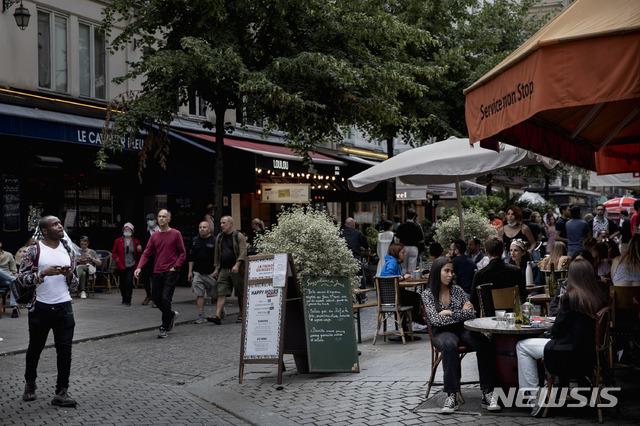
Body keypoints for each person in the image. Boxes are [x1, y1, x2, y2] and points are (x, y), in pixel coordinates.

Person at [516, 259, 608, 416]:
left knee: (522, 346)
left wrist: (560, 306)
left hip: (566, 354)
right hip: (589, 355)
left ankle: (532, 398)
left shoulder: (570, 298)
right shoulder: (599, 297)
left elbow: (557, 330)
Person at [421, 257, 500, 414]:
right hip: (442, 333)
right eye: (447, 271)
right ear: (437, 272)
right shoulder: (428, 294)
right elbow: (436, 319)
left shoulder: (457, 290)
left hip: (463, 329)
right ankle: (451, 395)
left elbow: (472, 312)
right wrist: (461, 312)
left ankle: (487, 392)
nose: (451, 274)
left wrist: (450, 312)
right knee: (449, 345)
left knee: (484, 342)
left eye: (452, 271)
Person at [18, 216, 79, 407]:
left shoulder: (68, 249)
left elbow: (75, 285)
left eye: (60, 223)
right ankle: (30, 385)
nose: (60, 226)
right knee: (35, 348)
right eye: (55, 224)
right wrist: (43, 273)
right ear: (44, 230)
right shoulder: (33, 250)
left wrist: (69, 275)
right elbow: (22, 279)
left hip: (64, 306)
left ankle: (61, 391)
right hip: (40, 307)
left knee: (65, 350)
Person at [134, 210, 186, 339]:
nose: (161, 218)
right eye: (160, 216)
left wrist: (176, 266)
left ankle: (164, 326)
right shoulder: (155, 236)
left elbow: (182, 253)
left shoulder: (175, 233)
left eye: (164, 217)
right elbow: (146, 252)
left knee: (165, 299)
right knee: (156, 299)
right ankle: (171, 315)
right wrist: (139, 267)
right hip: (157, 270)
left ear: (169, 219)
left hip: (171, 272)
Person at [379, 242, 426, 332]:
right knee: (416, 297)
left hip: (389, 295)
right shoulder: (392, 263)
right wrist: (404, 277)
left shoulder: (392, 262)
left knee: (411, 296)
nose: (405, 255)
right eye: (403, 253)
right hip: (391, 296)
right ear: (396, 253)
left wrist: (403, 276)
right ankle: (413, 323)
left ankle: (408, 324)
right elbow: (389, 278)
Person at [470, 236, 526, 309]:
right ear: (502, 251)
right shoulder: (515, 271)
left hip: (488, 316)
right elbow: (523, 296)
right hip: (512, 314)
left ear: (486, 252)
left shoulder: (479, 275)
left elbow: (474, 301)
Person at [211, 216, 248, 324]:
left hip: (237, 269)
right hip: (224, 268)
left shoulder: (238, 236)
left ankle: (241, 313)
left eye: (224, 223)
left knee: (240, 292)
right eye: (221, 223)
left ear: (230, 224)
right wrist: (216, 268)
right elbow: (217, 253)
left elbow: (243, 253)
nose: (221, 225)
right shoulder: (220, 237)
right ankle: (217, 316)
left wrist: (237, 265)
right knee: (221, 291)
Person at [188, 221, 217, 324]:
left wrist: (216, 270)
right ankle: (201, 316)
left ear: (209, 229)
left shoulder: (214, 240)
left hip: (211, 273)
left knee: (215, 295)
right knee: (199, 294)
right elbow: (191, 257)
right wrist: (190, 271)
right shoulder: (195, 240)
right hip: (198, 273)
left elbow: (218, 258)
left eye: (204, 227)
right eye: (200, 227)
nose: (202, 229)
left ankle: (220, 312)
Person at [111, 222, 142, 306]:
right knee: (122, 283)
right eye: (125, 229)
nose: (127, 231)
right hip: (121, 264)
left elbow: (138, 255)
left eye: (128, 230)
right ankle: (124, 297)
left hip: (131, 264)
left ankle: (128, 299)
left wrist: (139, 250)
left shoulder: (136, 241)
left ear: (132, 231)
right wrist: (117, 260)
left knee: (129, 282)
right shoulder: (118, 241)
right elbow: (114, 252)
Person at [341, 217, 369, 289]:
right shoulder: (358, 233)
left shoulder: (340, 233)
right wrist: (366, 249)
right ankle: (363, 292)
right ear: (353, 224)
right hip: (354, 257)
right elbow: (365, 244)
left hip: (343, 258)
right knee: (360, 274)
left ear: (345, 225)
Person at [139, 212, 160, 306]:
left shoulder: (160, 230)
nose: (149, 222)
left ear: (156, 221)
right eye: (148, 220)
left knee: (156, 278)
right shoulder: (144, 231)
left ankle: (155, 298)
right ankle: (148, 295)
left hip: (158, 257)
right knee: (145, 277)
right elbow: (140, 242)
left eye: (151, 220)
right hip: (147, 257)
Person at [396, 209, 423, 273]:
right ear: (414, 216)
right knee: (412, 268)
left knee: (403, 267)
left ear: (406, 216)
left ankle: (404, 280)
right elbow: (421, 240)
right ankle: (411, 280)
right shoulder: (417, 226)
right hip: (414, 248)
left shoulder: (401, 226)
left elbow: (397, 240)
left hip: (403, 248)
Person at [0, 240, 20, 318]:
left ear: (0, 244)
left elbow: (14, 270)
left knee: (13, 284)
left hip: (7, 279)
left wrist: (14, 277)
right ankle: (15, 280)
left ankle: (14, 308)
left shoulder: (8, 255)